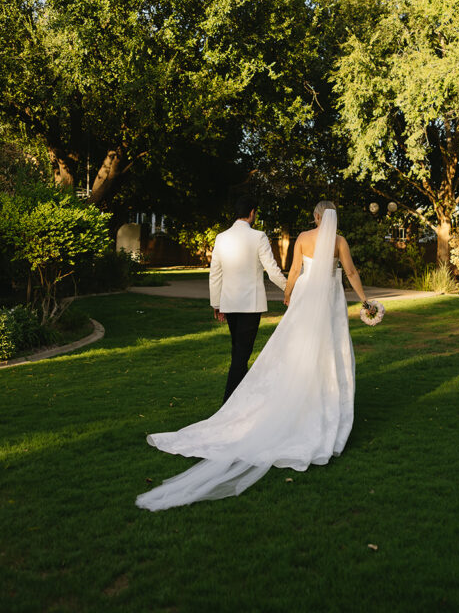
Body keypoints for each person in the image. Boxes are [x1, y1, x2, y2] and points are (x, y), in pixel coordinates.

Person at [136, 201, 370, 510]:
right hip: (328, 302)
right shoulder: (339, 242)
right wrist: (366, 300)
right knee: (327, 353)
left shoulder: (301, 237)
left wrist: (288, 296)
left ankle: (282, 400)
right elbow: (350, 271)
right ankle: (320, 406)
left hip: (301, 299)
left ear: (315, 217)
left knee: (293, 352)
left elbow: (296, 270)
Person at [209, 196, 288, 404]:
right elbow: (272, 271)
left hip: (229, 304)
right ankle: (229, 405)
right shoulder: (259, 237)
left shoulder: (221, 237)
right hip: (250, 306)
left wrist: (216, 304)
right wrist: (291, 290)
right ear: (252, 212)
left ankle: (240, 401)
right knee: (241, 355)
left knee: (238, 351)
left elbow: (215, 273)